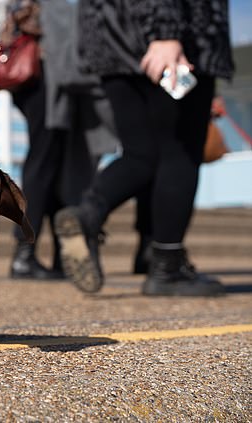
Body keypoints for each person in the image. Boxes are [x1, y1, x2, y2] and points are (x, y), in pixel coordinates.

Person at [55, 0, 235, 296]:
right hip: (172, 32)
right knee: (180, 151)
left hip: (110, 34)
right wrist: (166, 31)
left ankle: (90, 212)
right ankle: (167, 266)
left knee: (142, 154)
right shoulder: (166, 32)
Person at [0, 0, 65, 280]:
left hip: (39, 71)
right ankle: (24, 254)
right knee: (42, 161)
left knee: (50, 163)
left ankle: (47, 253)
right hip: (40, 72)